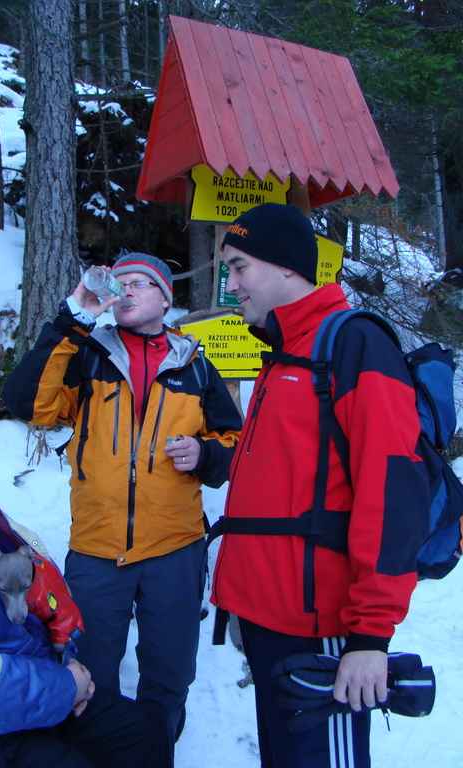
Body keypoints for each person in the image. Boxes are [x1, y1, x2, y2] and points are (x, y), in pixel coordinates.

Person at [210, 203, 429, 768]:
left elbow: (393, 493)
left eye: (239, 268)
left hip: (325, 632)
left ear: (286, 267)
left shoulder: (351, 344)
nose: (231, 287)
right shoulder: (283, 353)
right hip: (270, 623)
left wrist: (370, 637)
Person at [0, 360, 173, 768]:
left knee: (141, 732)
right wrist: (63, 688)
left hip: (17, 690)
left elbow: (34, 595)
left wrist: (64, 665)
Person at [3, 252, 242, 739]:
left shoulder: (195, 365)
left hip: (175, 548)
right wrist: (74, 318)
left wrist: (205, 453)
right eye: (121, 282)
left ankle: (157, 748)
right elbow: (27, 402)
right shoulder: (87, 353)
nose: (128, 289)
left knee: (170, 676)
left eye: (141, 282)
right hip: (96, 548)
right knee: (91, 674)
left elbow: (235, 443)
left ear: (165, 298)